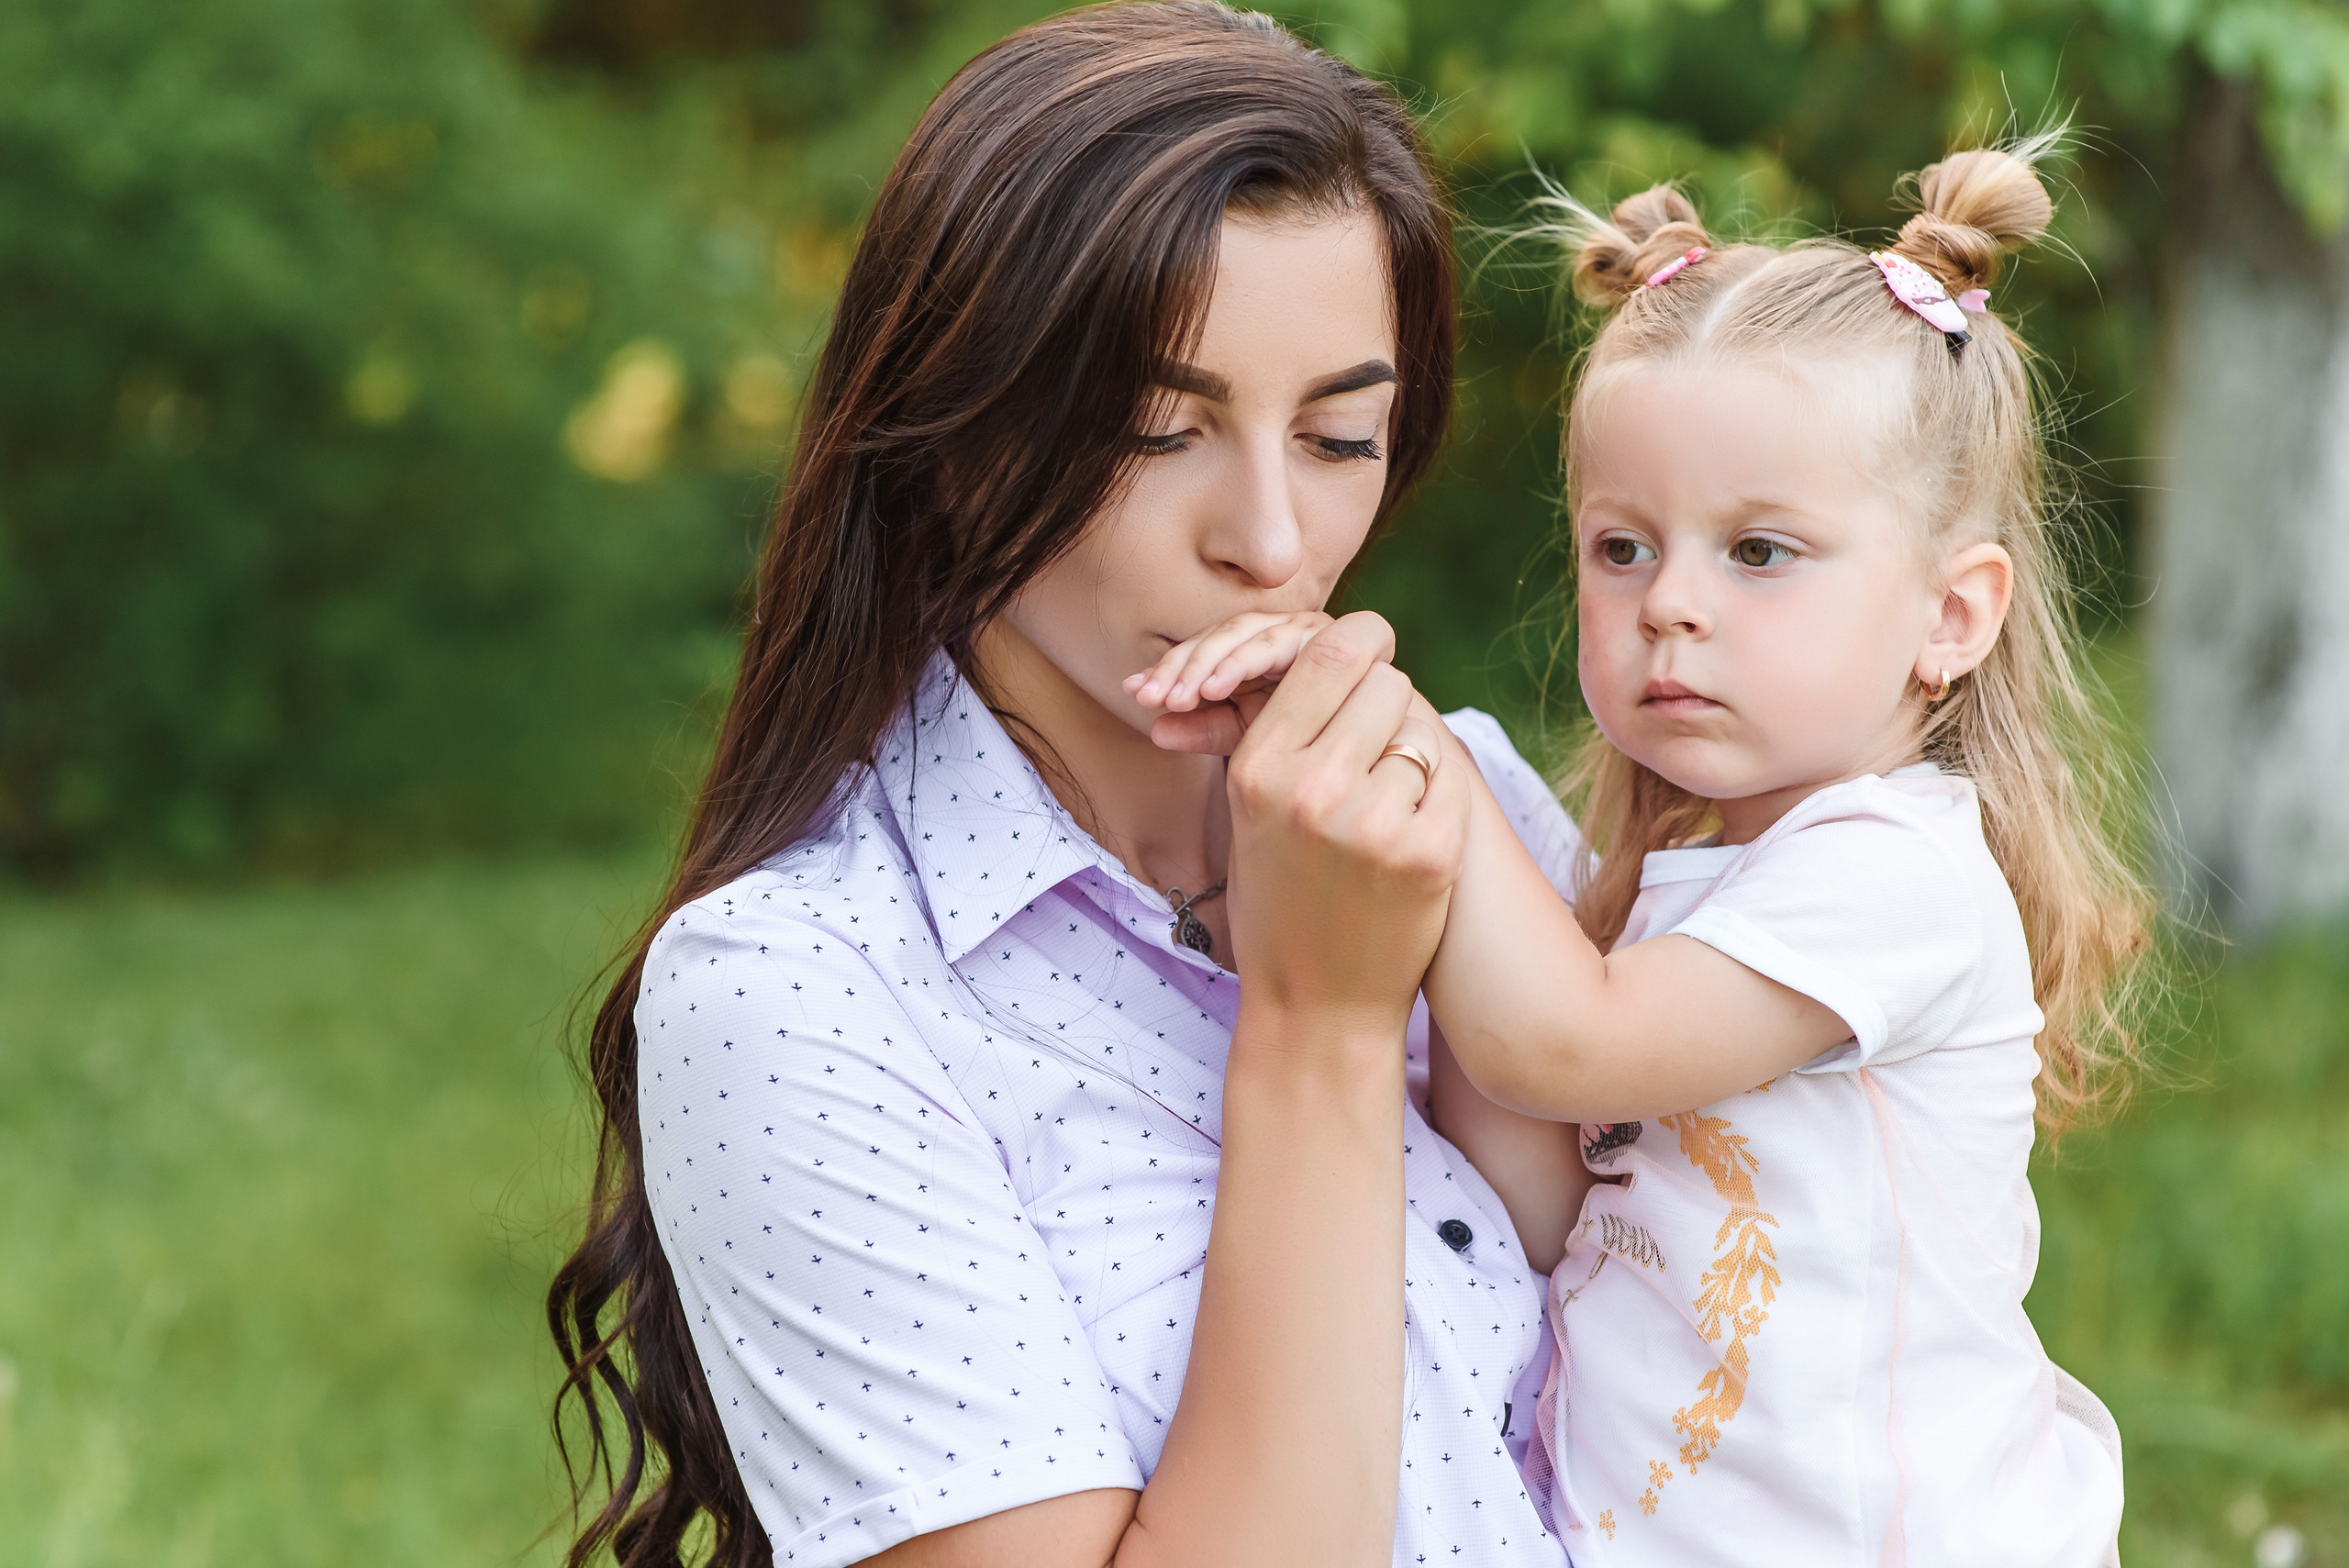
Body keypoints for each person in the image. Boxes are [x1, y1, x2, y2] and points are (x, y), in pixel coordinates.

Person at [547, 6, 1588, 1566]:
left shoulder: (1463, 803)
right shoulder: (797, 990)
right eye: (1157, 428)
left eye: (1340, 434)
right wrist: (1320, 1025)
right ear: (949, 428)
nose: (1270, 538)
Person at [1132, 143, 2155, 1565]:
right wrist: (1346, 887)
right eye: (1622, 548)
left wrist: (1405, 744)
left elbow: (1564, 1044)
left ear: (1952, 616)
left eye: (1760, 553)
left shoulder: (1894, 876)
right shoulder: (1689, 881)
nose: (1670, 603)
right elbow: (1550, 1194)